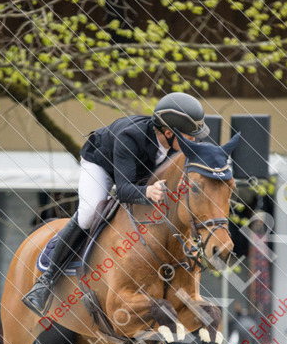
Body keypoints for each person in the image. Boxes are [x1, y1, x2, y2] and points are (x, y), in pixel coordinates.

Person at [22, 92, 210, 315]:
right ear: (169, 133)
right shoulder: (130, 137)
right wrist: (147, 191)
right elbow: (123, 190)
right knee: (88, 214)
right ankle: (46, 280)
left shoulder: (176, 149)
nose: (194, 142)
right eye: (189, 137)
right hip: (101, 164)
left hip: (137, 174)